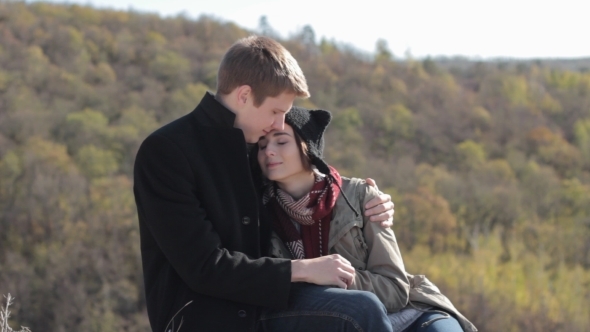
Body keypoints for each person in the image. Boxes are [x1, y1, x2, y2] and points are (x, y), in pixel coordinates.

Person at [133, 36, 395, 332]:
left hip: (266, 304)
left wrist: (366, 199)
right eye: (275, 112)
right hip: (204, 317)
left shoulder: (255, 147)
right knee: (357, 311)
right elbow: (204, 267)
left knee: (369, 307)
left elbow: (305, 183)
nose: (280, 124)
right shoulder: (166, 151)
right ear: (244, 96)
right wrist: (304, 269)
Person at [255, 107, 478, 332]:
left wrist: (343, 278)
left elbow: (396, 289)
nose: (269, 152)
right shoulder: (257, 211)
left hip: (409, 311)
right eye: (262, 145)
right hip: (339, 318)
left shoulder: (359, 196)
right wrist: (313, 274)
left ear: (308, 147)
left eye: (281, 142)